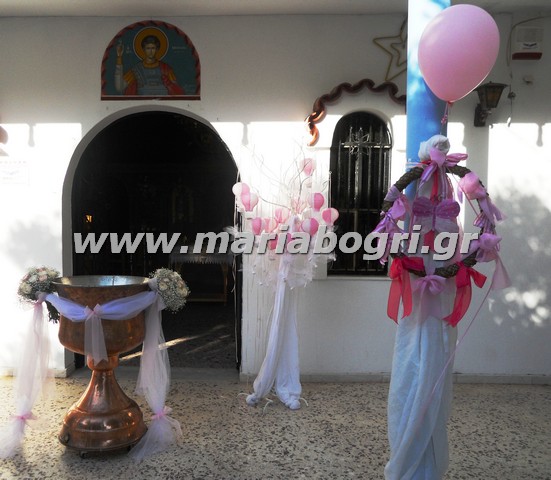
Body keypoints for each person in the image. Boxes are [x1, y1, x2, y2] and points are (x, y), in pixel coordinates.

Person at [114, 34, 185, 96]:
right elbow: (119, 87)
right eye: (148, 48)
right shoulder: (136, 69)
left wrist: (169, 84)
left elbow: (177, 92)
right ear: (144, 49)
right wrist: (119, 57)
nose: (151, 51)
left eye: (153, 48)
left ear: (157, 49)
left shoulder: (165, 69)